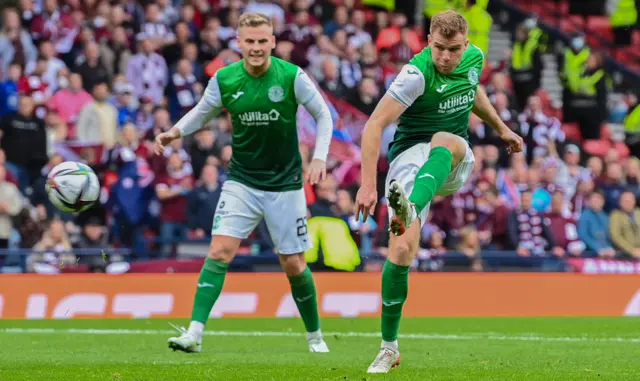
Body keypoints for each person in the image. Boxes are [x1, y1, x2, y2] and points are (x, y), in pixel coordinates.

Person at [354, 10, 523, 374]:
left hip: (451, 155)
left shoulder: (474, 58)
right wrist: (367, 184)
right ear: (428, 41)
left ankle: (410, 207)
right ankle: (388, 347)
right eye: (439, 49)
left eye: (453, 50)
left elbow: (472, 90)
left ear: (466, 44)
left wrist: (502, 129)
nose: (445, 57)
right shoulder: (415, 74)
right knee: (400, 251)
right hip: (409, 161)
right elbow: (374, 125)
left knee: (445, 139)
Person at [155, 13, 333, 354]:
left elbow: (323, 114)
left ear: (272, 42)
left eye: (262, 41)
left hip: (286, 185)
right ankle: (194, 332)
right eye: (249, 41)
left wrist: (320, 158)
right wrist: (175, 131)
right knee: (220, 250)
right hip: (242, 182)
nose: (255, 47)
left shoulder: (292, 76)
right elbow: (203, 111)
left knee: (293, 264)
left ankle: (314, 336)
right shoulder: (224, 79)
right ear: (238, 43)